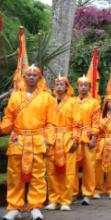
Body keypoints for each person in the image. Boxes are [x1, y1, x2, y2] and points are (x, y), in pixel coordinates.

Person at [0, 66, 55, 220]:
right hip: (18, 140)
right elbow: (9, 119)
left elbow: (51, 123)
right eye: (28, 75)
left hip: (37, 140)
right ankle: (14, 208)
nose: (31, 77)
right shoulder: (15, 97)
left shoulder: (48, 98)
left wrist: (49, 142)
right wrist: (0, 128)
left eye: (34, 75)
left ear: (39, 78)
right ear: (24, 78)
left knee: (38, 176)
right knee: (15, 175)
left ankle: (35, 207)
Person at [45, 77, 80, 212]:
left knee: (68, 171)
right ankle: (54, 199)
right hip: (52, 138)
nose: (59, 87)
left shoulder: (73, 102)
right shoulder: (49, 102)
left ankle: (65, 200)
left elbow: (77, 123)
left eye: (62, 85)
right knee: (52, 171)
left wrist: (75, 139)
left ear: (67, 87)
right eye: (56, 84)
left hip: (67, 138)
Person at [73, 75, 101, 205]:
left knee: (89, 166)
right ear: (77, 87)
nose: (83, 87)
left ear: (90, 87)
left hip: (87, 134)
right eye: (81, 85)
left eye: (86, 85)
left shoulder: (94, 102)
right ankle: (73, 193)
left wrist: (94, 137)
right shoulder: (71, 101)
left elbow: (96, 122)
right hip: (73, 135)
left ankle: (87, 194)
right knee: (72, 165)